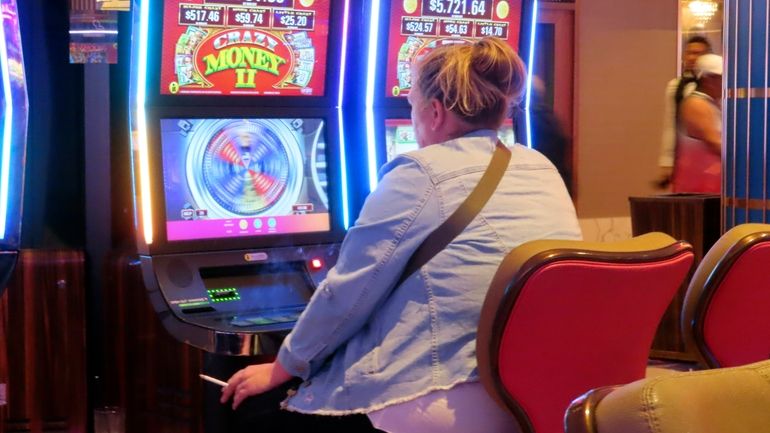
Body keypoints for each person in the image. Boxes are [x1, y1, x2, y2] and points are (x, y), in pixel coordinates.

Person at [220, 37, 582, 433]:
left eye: (410, 105)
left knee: (267, 411)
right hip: (542, 386)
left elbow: (349, 292)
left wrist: (281, 366)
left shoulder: (420, 171)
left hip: (452, 392)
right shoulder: (540, 167)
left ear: (434, 112)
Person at [656, 35, 713, 188]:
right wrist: (667, 161)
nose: (694, 57)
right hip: (684, 156)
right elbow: (670, 125)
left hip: (711, 155)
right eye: (691, 53)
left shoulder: (717, 85)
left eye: (700, 54)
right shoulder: (675, 86)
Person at [671, 53, 722, 193]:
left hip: (712, 184)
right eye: (721, 78)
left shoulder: (713, 103)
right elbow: (714, 142)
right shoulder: (696, 104)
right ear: (707, 79)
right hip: (698, 186)